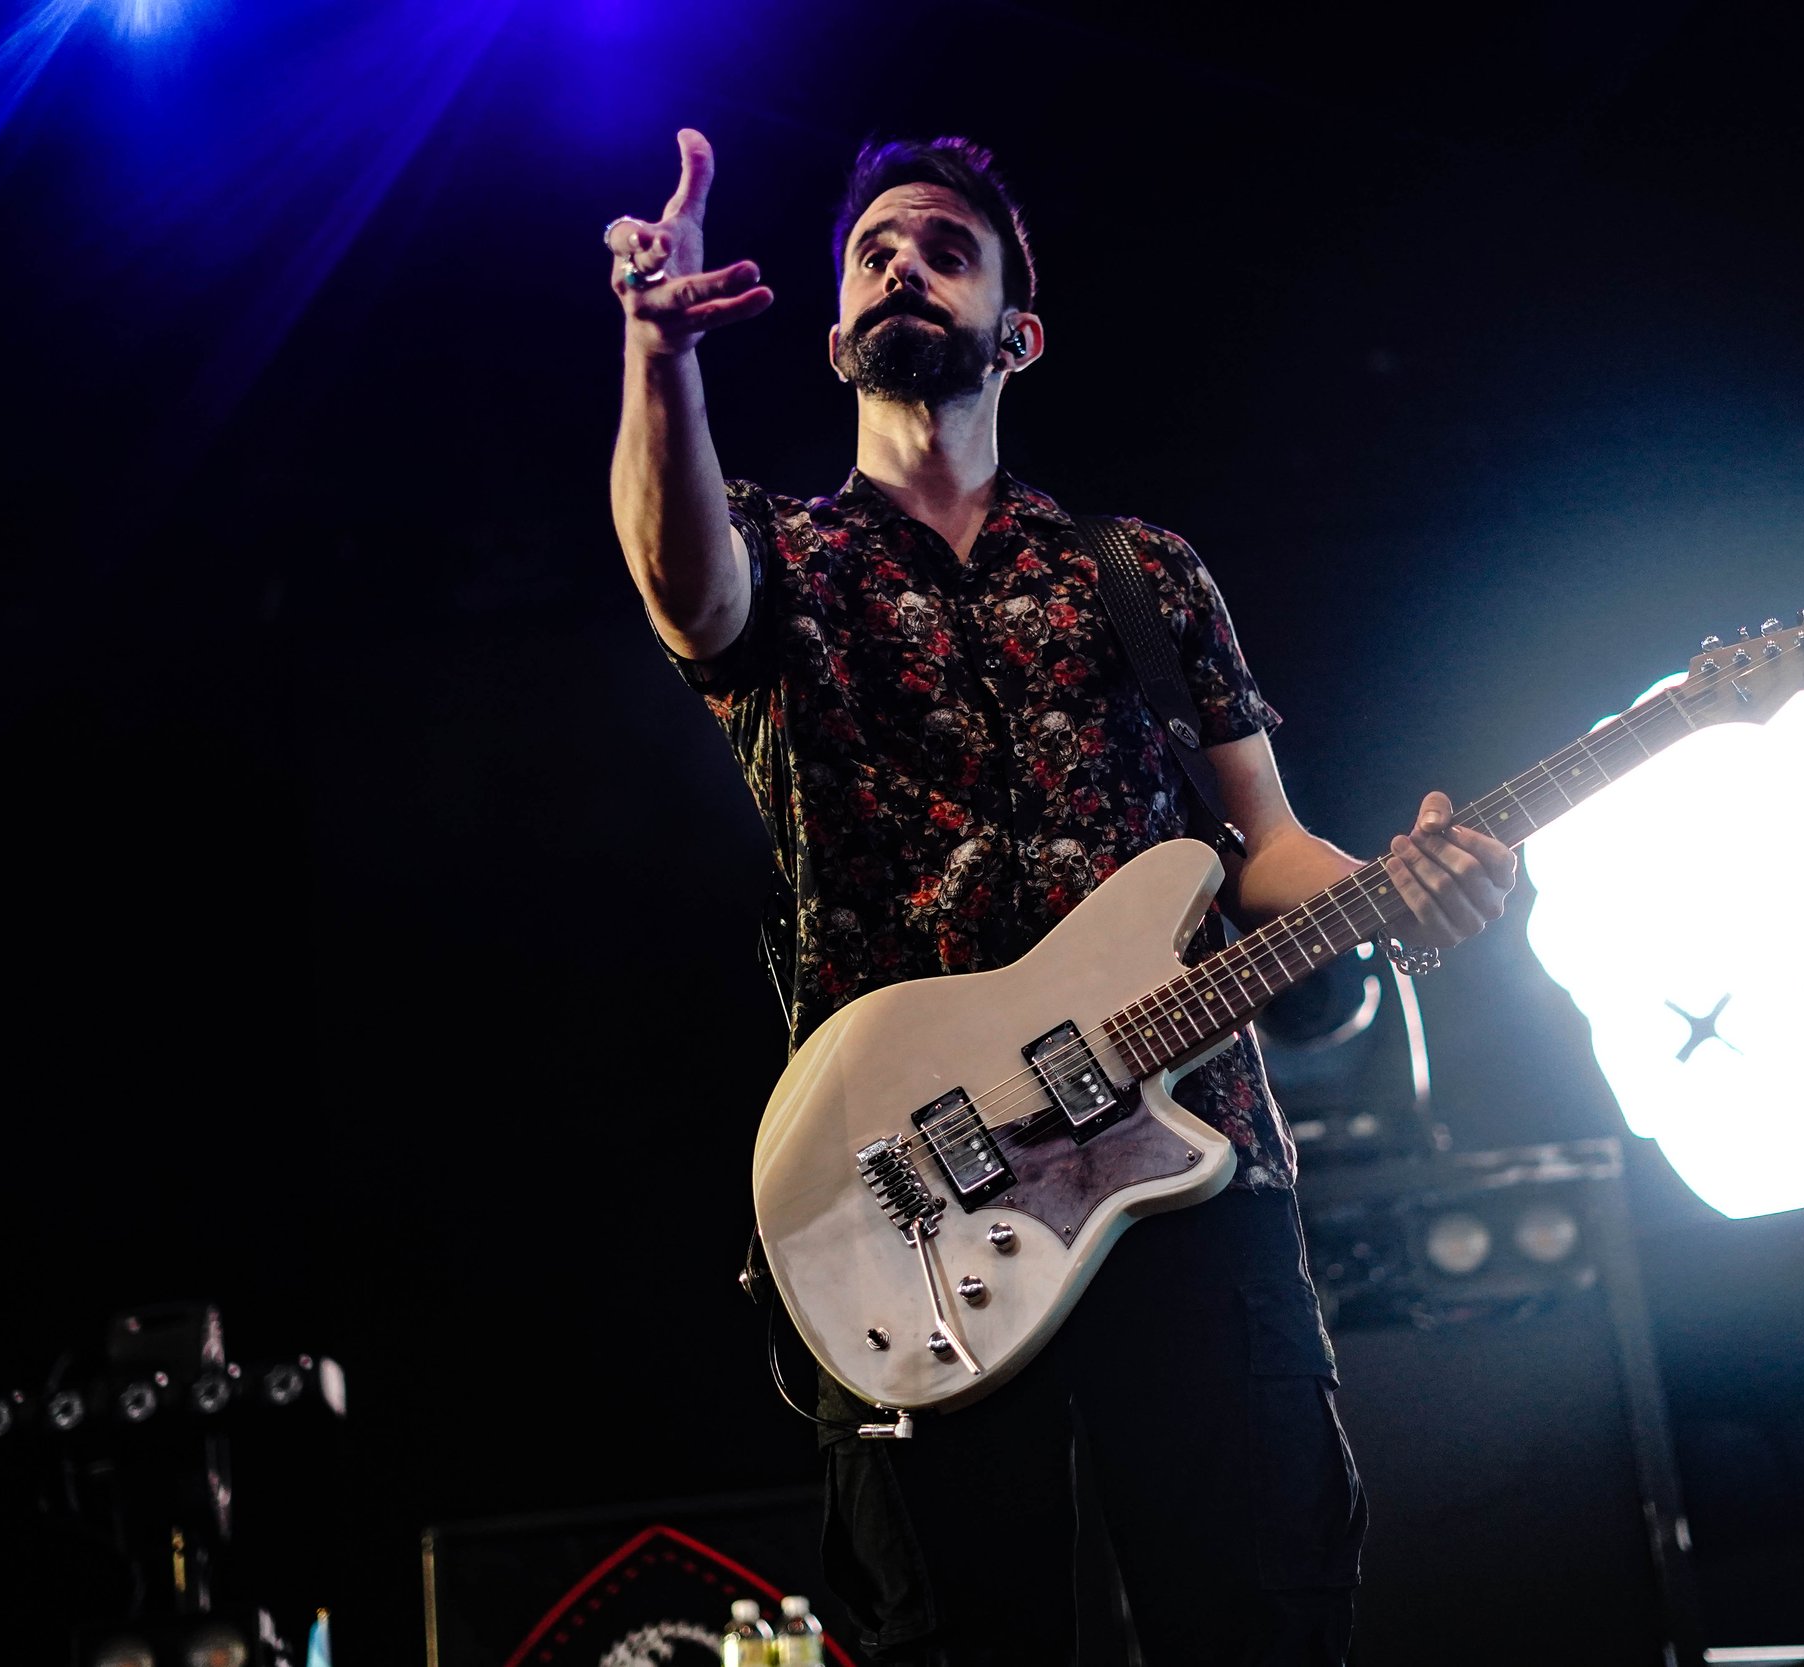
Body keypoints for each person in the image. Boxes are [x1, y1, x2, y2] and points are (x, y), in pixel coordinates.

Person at [605, 128, 1518, 1666]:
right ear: (835, 334)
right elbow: (684, 587)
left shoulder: (1143, 572)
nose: (907, 262)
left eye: (947, 248)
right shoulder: (790, 557)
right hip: (905, 1190)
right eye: (878, 248)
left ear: (1016, 333)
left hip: (1193, 1172)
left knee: (1264, 1614)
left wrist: (1401, 892)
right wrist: (655, 358)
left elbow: (1262, 847)